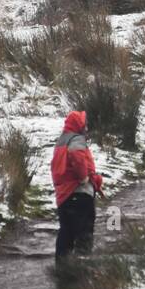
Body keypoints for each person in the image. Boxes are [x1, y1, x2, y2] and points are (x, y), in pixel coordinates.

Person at [51, 110, 104, 262]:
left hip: (64, 195)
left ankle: (62, 270)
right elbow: (77, 158)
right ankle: (82, 270)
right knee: (84, 234)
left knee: (65, 233)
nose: (86, 127)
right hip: (79, 193)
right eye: (84, 124)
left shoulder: (61, 141)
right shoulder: (76, 140)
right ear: (78, 125)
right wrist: (84, 177)